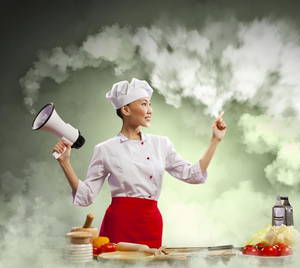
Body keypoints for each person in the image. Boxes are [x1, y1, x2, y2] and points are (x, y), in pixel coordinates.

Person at [53, 78, 227, 249]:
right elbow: (86, 196)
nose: (150, 110)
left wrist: (215, 141)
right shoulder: (105, 149)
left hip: (150, 224)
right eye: (144, 104)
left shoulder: (161, 144)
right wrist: (65, 162)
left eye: (150, 104)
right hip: (118, 224)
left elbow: (192, 175)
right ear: (126, 109)